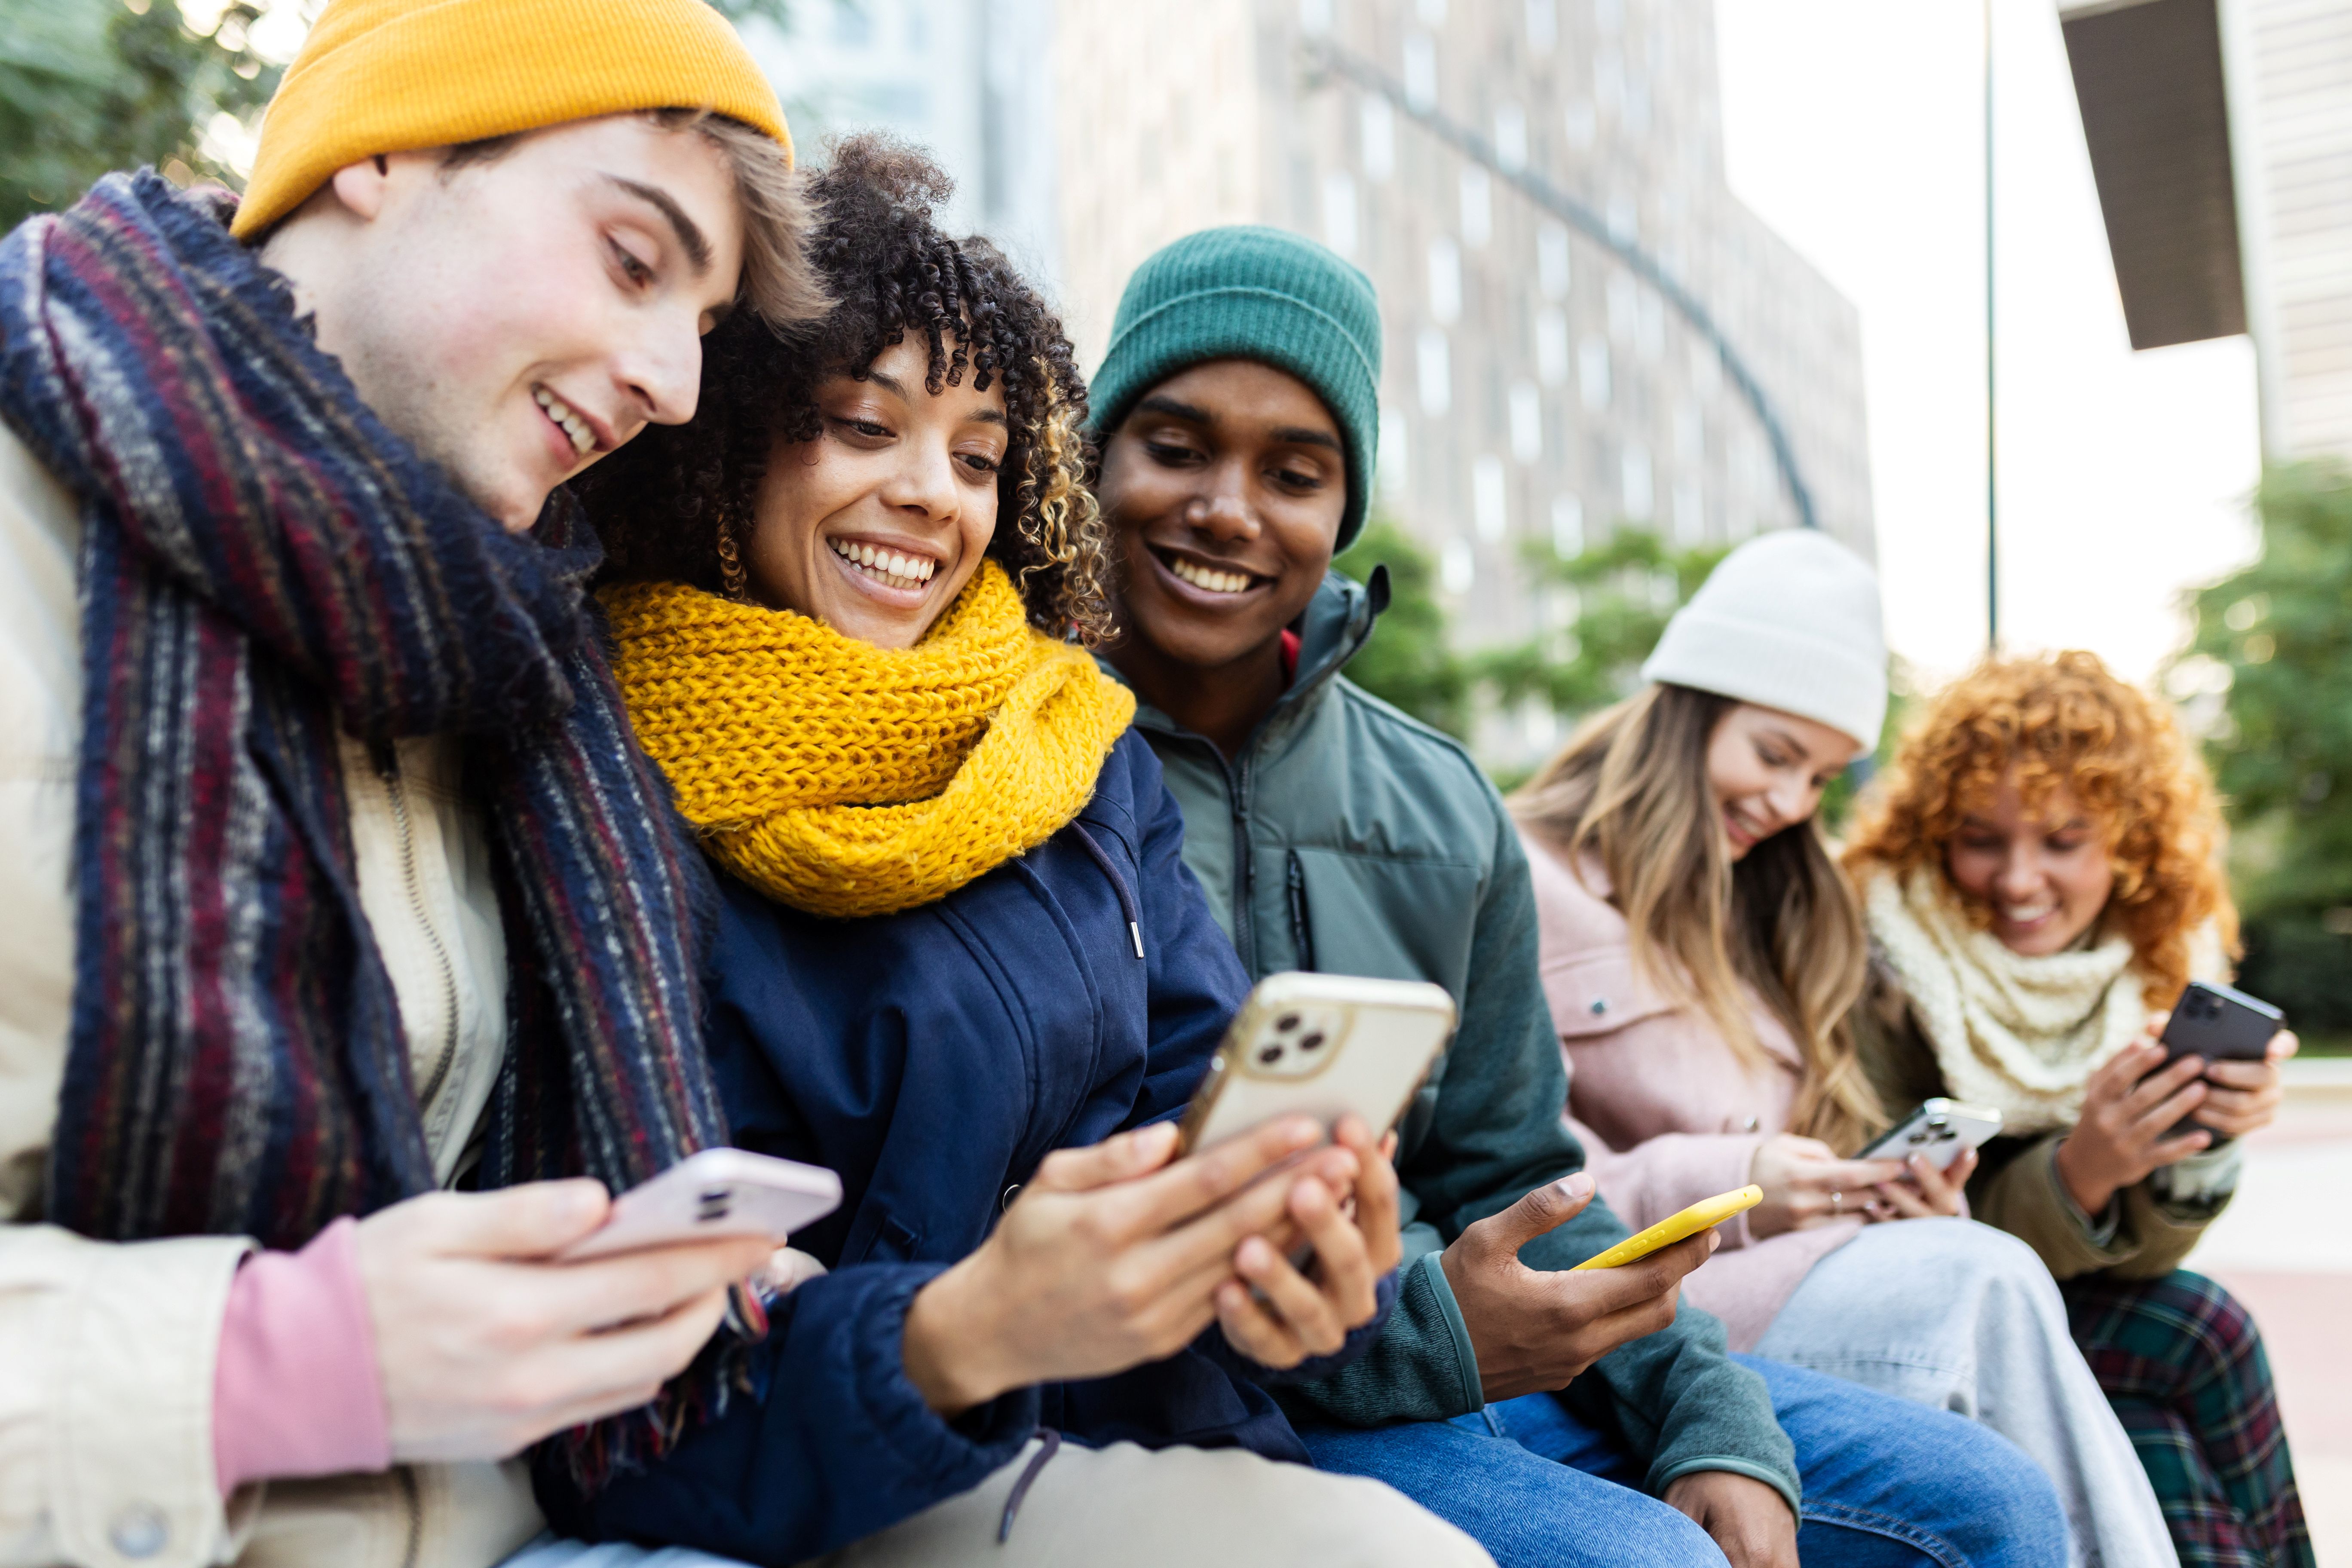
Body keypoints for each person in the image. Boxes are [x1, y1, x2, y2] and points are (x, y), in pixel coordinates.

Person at [550, 142, 1489, 1568]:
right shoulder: (592, 767)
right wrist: (969, 1328)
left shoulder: (1073, 743)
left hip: (1150, 1435)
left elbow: (1194, 1094)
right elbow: (628, 1379)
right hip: (822, 1477)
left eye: (978, 455)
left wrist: (1287, 1258)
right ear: (728, 438)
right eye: (864, 427)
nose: (933, 494)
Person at [1086, 224, 2070, 1568]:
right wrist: (1440, 1337)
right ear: (1095, 458)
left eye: (1295, 472)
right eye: (1177, 447)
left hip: (1492, 1354)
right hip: (1257, 1394)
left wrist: (1705, 1413)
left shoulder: (1439, 801)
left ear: (1345, 509)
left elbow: (1518, 1167)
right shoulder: (1033, 756)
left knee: (1988, 1507)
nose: (1228, 509)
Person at [0, 2, 832, 1566]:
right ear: (381, 151)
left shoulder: (502, 651)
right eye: (632, 260)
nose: (674, 384)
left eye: (703, 328)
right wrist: (260, 1370)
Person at [1513, 533, 2180, 1568]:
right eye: (1775, 754)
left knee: (2102, 1307)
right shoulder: (1519, 875)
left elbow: (1825, 1147)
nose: (1789, 803)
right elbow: (1511, 1176)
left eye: (1820, 777)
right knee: (1984, 1281)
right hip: (1647, 1313)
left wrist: (1888, 1196)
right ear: (1686, 708)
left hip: (1784, 1279)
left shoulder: (1783, 907)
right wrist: (1743, 1183)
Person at [1842, 651, 2312, 1568]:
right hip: (1923, 1302)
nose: (2019, 881)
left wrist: (2205, 1137)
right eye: (1981, 839)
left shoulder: (2160, 950)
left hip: (2057, 1292)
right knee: (2193, 1339)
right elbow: (1904, 1226)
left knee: (2194, 1343)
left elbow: (2153, 1255)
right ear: (1935, 833)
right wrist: (2084, 1167)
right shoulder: (1881, 956)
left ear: (2128, 842)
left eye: (2063, 842)